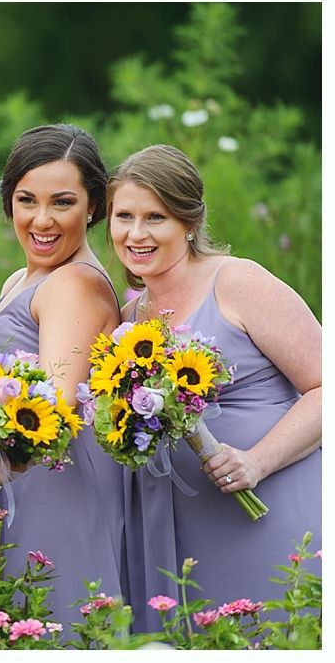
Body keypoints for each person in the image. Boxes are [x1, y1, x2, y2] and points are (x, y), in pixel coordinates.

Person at [107, 144, 321, 631]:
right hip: (181, 533)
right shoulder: (130, 319)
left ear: (189, 221)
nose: (135, 234)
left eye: (155, 217)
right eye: (124, 217)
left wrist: (256, 460)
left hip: (268, 514)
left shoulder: (238, 283)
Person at [0, 124, 126, 629]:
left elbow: (57, 404)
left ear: (93, 207)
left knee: (52, 622)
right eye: (26, 200)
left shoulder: (75, 285)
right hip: (20, 480)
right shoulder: (23, 279)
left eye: (62, 203)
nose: (41, 220)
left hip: (50, 484)